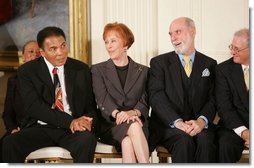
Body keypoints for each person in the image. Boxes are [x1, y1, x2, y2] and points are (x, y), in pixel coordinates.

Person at [2, 26, 97, 163]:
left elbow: (90, 107)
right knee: (10, 142)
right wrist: (69, 121)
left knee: (86, 139)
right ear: (42, 52)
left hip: (72, 130)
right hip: (41, 128)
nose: (61, 53)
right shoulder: (27, 71)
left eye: (63, 46)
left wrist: (87, 120)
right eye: (53, 49)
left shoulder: (81, 69)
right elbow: (34, 107)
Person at [148, 17, 217, 163]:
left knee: (206, 141)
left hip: (198, 125)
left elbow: (213, 98)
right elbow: (156, 97)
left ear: (192, 32)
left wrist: (201, 121)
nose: (173, 38)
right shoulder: (159, 63)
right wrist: (177, 122)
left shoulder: (210, 64)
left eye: (178, 32)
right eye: (170, 34)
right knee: (183, 140)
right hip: (168, 126)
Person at [91, 22, 149, 163]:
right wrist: (119, 114)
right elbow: (102, 99)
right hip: (111, 125)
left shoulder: (144, 71)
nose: (108, 46)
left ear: (125, 44)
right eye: (106, 42)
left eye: (113, 41)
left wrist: (133, 113)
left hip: (138, 122)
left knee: (128, 142)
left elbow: (145, 99)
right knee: (133, 126)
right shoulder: (97, 70)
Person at [0, 40, 40, 162]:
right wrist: (12, 129)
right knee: (4, 144)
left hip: (39, 130)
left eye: (38, 53)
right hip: (18, 129)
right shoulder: (14, 81)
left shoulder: (48, 79)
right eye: (31, 52)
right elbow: (7, 114)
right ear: (23, 56)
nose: (35, 55)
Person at [215, 28, 249, 163]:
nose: (232, 52)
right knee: (225, 144)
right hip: (234, 126)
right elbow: (224, 107)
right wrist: (245, 133)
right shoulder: (223, 70)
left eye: (237, 49)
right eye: (231, 47)